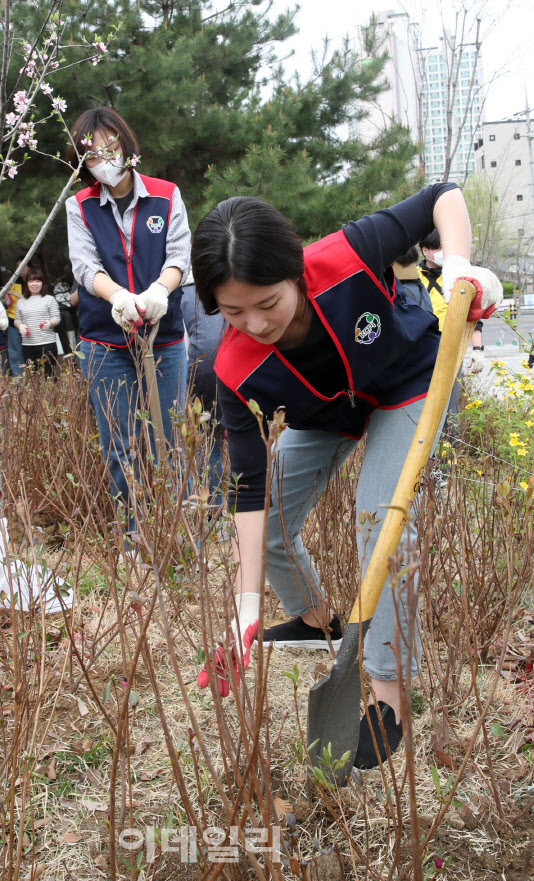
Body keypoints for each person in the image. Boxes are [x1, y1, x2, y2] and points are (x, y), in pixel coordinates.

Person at [191, 184, 501, 768]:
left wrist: (458, 264)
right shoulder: (231, 368)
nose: (255, 324)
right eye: (233, 312)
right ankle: (315, 621)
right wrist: (244, 604)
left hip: (407, 382)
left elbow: (444, 196)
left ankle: (388, 699)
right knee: (277, 527)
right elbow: (251, 495)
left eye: (267, 303)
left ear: (295, 273)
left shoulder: (347, 255)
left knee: (378, 521)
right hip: (330, 412)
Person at [66, 107, 191, 529]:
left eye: (112, 148)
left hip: (164, 337)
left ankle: (175, 531)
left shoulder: (165, 194)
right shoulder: (79, 206)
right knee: (119, 442)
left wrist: (159, 290)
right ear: (83, 163)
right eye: (94, 156)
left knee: (170, 437)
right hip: (104, 339)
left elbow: (179, 255)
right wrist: (118, 296)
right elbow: (85, 266)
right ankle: (135, 535)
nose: (106, 160)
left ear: (127, 145)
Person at [419, 230, 486, 454]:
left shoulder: (457, 277)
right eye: (438, 248)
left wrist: (478, 350)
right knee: (421, 409)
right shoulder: (413, 277)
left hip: (451, 350)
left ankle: (445, 469)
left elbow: (473, 316)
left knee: (450, 412)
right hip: (421, 352)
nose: (443, 253)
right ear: (425, 250)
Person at [180, 272, 226, 510]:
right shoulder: (221, 284)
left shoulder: (178, 292)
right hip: (233, 370)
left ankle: (213, 508)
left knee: (206, 439)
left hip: (201, 374)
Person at [14, 269, 60, 375]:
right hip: (27, 345)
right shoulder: (21, 302)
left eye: (38, 281)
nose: (34, 284)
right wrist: (20, 326)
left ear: (43, 283)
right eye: (31, 281)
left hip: (47, 344)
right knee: (33, 377)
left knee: (48, 376)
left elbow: (56, 318)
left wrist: (49, 323)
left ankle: (51, 392)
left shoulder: (49, 299)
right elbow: (17, 320)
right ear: (27, 284)